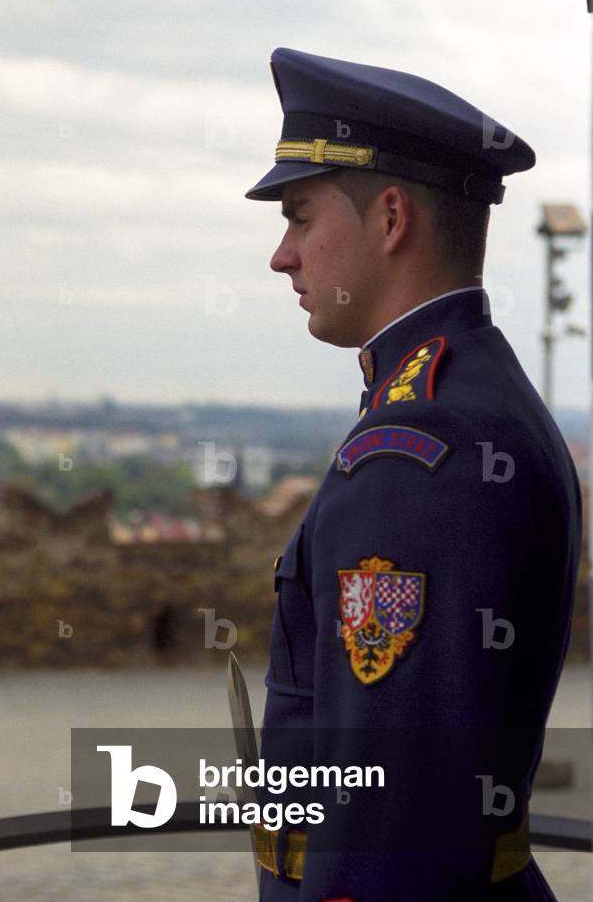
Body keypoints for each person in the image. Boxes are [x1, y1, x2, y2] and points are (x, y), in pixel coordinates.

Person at [243, 48, 582, 901]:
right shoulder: (473, 392)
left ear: (391, 218)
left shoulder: (416, 447)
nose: (282, 256)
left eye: (299, 216)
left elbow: (390, 814)